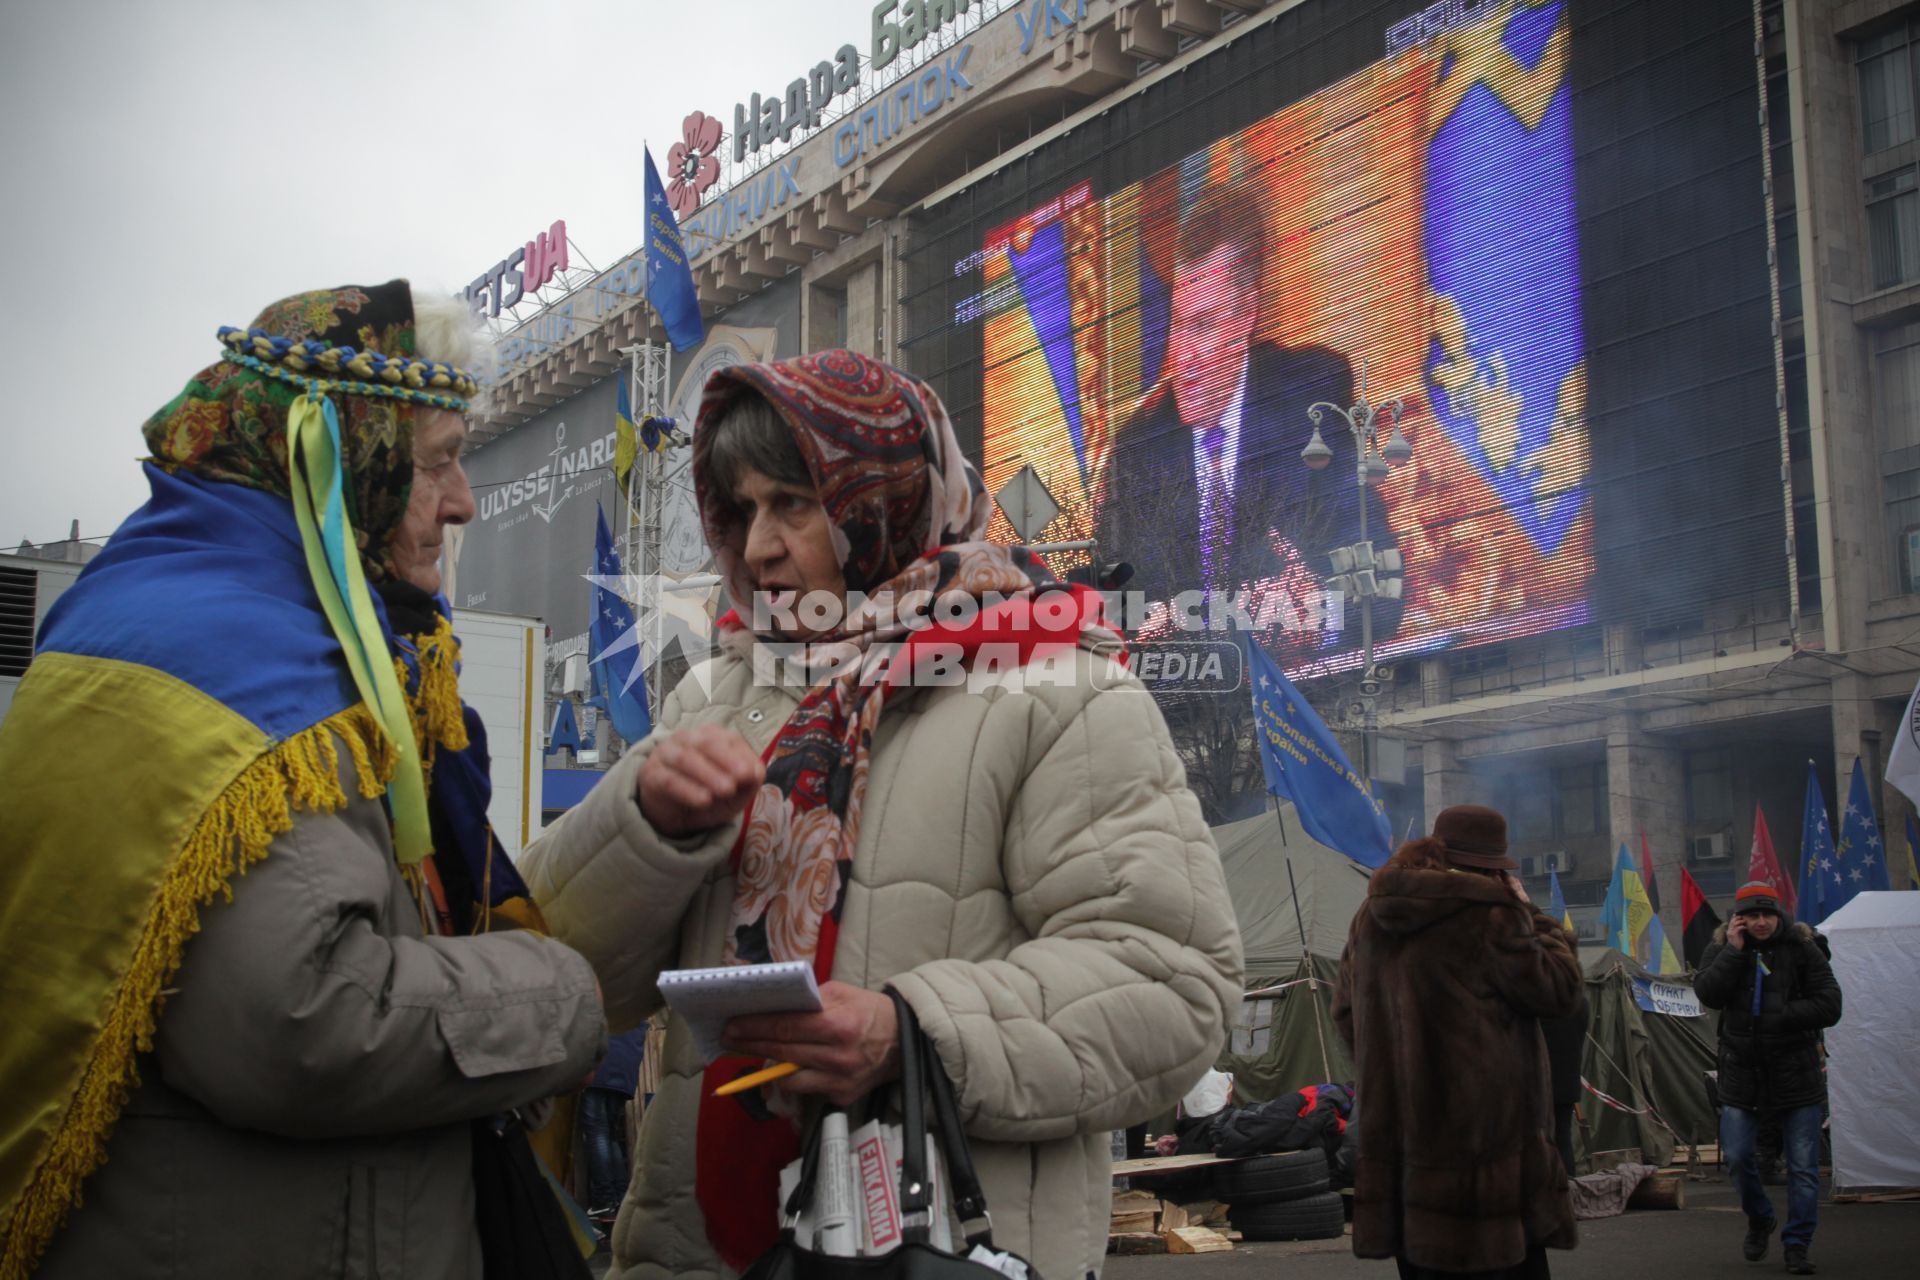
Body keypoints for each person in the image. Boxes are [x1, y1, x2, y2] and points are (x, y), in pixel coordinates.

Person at [520, 348, 1245, 1280]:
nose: (760, 548)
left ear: (887, 500)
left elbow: (1175, 983)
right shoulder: (712, 698)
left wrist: (913, 1033)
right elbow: (558, 974)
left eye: (794, 502)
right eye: (741, 511)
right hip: (699, 1252)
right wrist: (643, 829)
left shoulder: (1059, 691)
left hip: (932, 1249)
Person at [0, 282, 609, 1279]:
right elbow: (304, 1016)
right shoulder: (249, 661)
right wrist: (561, 993)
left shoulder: (172, 607)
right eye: (439, 461)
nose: (462, 501)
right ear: (336, 456)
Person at [1090, 184, 1401, 648]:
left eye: (1203, 325)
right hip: (1184, 701)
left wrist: (1317, 610)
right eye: (1177, 325)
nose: (1182, 356)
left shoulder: (1308, 400)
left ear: (1246, 315)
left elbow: (1380, 587)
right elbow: (1108, 609)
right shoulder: (1138, 449)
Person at [1333, 805, 1582, 1280]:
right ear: (1493, 867)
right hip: (1487, 1157)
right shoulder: (1493, 915)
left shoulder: (1371, 915)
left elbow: (1346, 1013)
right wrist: (1535, 916)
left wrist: (1395, 1063)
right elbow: (1559, 991)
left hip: (1405, 1155)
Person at [1693, 882, 1842, 1276]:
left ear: (1779, 916)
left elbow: (1831, 1003)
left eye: (1767, 915)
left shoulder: (1802, 948)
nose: (1761, 922)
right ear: (1737, 919)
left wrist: (1781, 1016)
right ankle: (1760, 1218)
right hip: (1742, 1075)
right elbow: (1708, 992)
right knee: (1740, 1157)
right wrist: (1734, 951)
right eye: (1751, 916)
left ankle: (1797, 1244)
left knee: (1804, 1169)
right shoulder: (1724, 947)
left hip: (1796, 1074)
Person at [581, 1029, 647, 1224]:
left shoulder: (604, 1000)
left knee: (596, 1133)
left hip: (601, 1067)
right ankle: (621, 1200)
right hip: (624, 1069)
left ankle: (605, 1201)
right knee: (609, 1134)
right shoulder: (636, 1004)